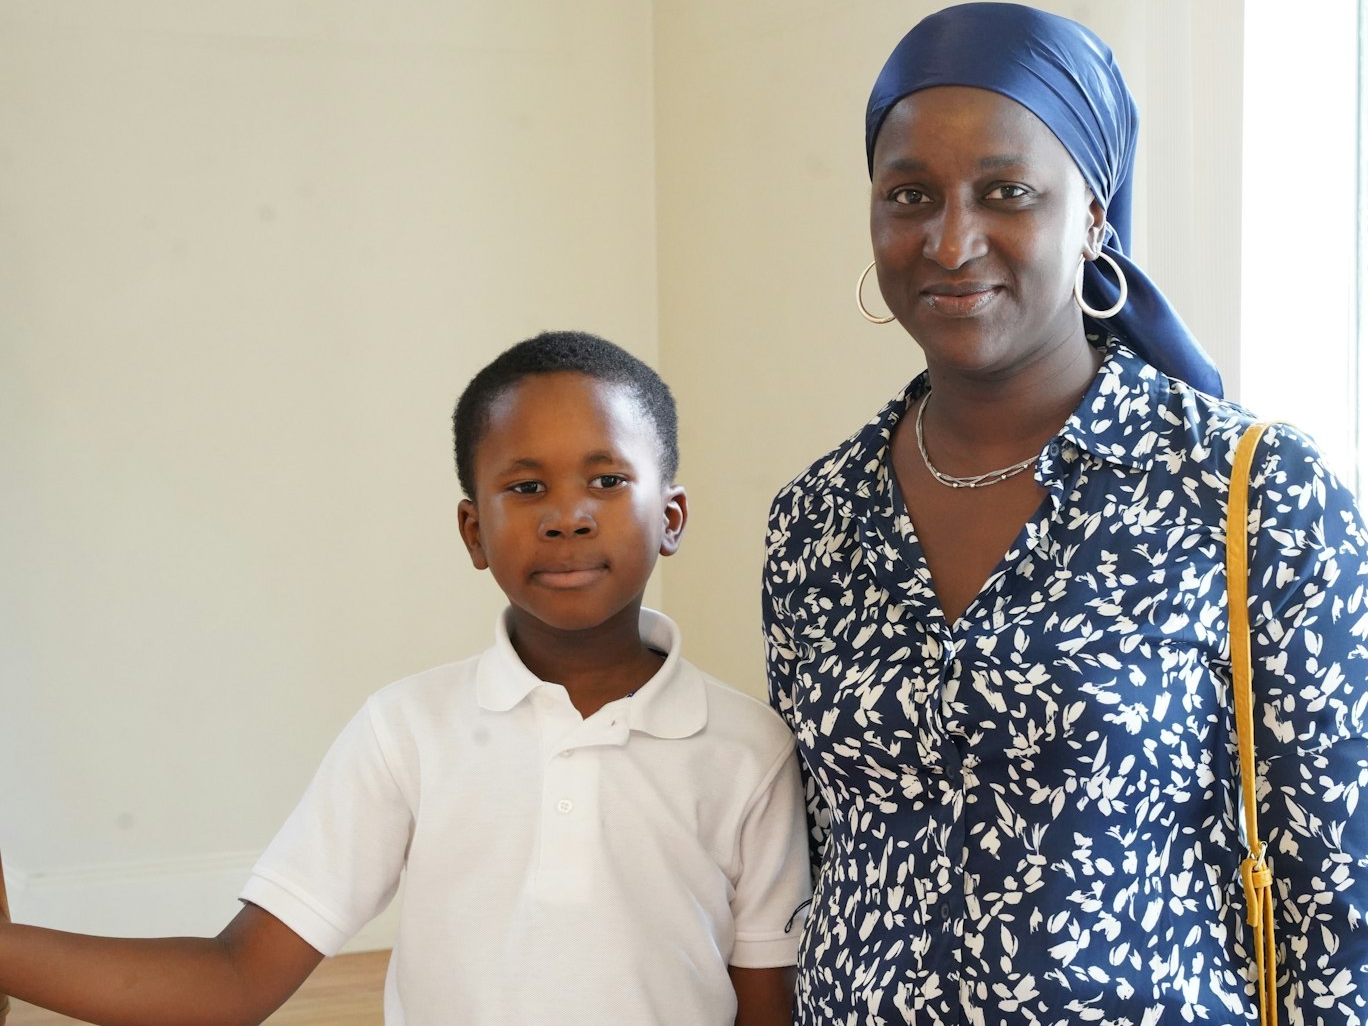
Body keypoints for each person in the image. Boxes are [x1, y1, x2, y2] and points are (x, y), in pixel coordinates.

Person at [763, 2, 1368, 1025]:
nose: (950, 237)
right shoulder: (814, 521)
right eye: (909, 194)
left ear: (1094, 215)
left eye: (1007, 191)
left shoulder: (1251, 493)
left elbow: (1341, 915)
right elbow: (808, 865)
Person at [0, 331, 812, 1025]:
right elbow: (237, 977)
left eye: (607, 479)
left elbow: (766, 1004)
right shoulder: (407, 729)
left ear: (670, 516)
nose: (568, 514)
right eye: (526, 487)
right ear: (475, 530)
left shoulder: (746, 747)